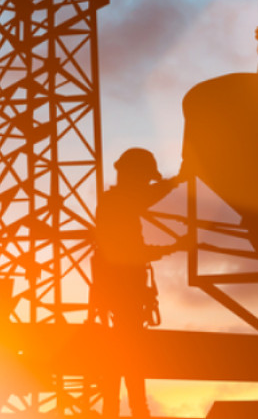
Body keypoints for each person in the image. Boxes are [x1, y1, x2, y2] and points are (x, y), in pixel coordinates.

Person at [93, 148, 182, 419]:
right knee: (128, 353)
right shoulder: (119, 203)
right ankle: (135, 411)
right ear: (133, 176)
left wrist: (177, 180)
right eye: (144, 178)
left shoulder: (117, 201)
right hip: (122, 292)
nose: (146, 183)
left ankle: (120, 410)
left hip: (118, 291)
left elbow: (148, 196)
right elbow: (130, 252)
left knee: (122, 353)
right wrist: (171, 248)